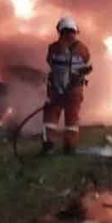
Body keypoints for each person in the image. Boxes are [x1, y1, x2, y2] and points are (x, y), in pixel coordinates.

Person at [43, 16, 92, 154]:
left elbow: (49, 62)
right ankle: (70, 147)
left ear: (60, 30)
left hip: (56, 89)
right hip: (74, 90)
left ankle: (49, 146)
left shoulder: (53, 48)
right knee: (72, 119)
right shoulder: (83, 49)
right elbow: (86, 63)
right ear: (75, 31)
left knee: (50, 117)